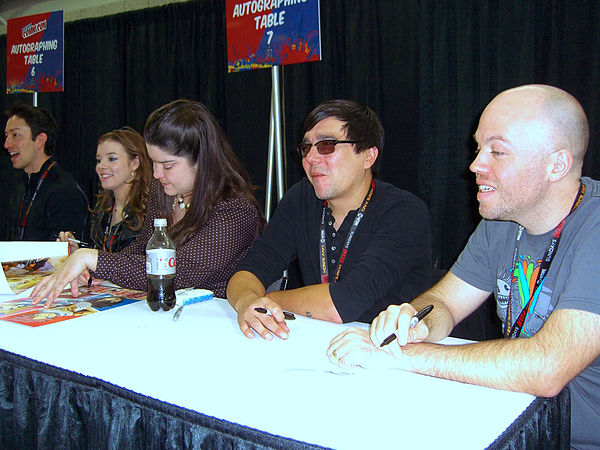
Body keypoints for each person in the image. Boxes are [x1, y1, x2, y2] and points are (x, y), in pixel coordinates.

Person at [327, 85, 600, 449]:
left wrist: (404, 356)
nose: (475, 165)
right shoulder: (502, 221)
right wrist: (414, 322)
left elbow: (547, 368)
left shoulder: (594, 229)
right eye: (478, 148)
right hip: (517, 424)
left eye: (497, 151)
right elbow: (447, 302)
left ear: (557, 165)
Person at [227, 99, 432, 340]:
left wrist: (269, 301)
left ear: (368, 155)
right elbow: (248, 272)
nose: (311, 158)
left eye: (326, 145)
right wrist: (248, 302)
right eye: (306, 147)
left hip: (388, 349)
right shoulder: (301, 198)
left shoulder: (404, 212)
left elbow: (342, 304)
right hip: (318, 342)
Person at [31, 99, 264, 304]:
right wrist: (95, 270)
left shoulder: (235, 209)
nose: (156, 174)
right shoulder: (162, 191)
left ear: (202, 160)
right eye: (153, 162)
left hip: (213, 322)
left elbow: (179, 271)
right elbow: (143, 250)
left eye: (168, 165)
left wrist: (93, 259)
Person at [59, 127, 152, 253]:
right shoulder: (101, 209)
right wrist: (78, 252)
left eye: (112, 159)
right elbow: (102, 254)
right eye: (98, 160)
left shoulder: (151, 210)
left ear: (135, 163)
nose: (101, 166)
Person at [4, 103, 88, 241]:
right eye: (7, 136)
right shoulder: (21, 190)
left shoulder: (64, 192)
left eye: (15, 135)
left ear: (40, 140)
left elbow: (64, 255)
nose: (7, 144)